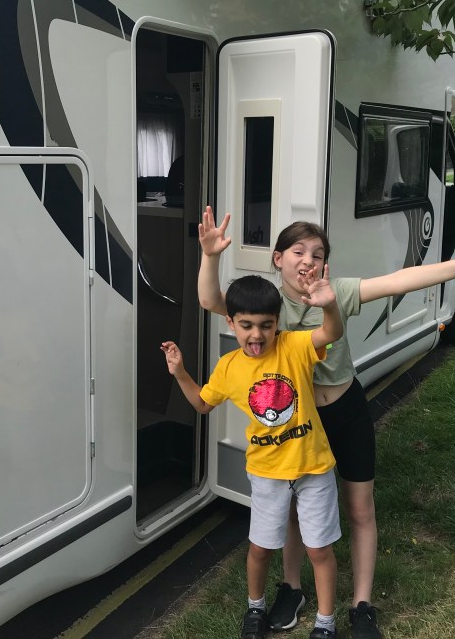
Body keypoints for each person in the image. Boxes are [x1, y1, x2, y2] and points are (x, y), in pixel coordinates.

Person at [197, 207, 455, 639]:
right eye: (297, 251)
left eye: (318, 253)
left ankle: (361, 605)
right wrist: (210, 255)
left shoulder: (337, 291)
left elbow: (400, 281)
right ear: (277, 259)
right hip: (301, 420)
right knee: (289, 511)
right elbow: (212, 301)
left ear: (327, 265)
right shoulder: (266, 304)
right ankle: (291, 588)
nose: (308, 260)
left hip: (345, 409)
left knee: (360, 508)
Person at [162, 273, 345, 639]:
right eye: (246, 325)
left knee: (319, 549)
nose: (257, 335)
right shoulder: (229, 367)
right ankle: (255, 608)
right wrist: (180, 372)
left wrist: (329, 305)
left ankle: (326, 623)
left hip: (314, 467)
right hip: (266, 472)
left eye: (266, 325)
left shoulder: (294, 346)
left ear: (278, 323)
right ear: (230, 322)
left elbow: (332, 333)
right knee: (260, 548)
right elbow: (201, 403)